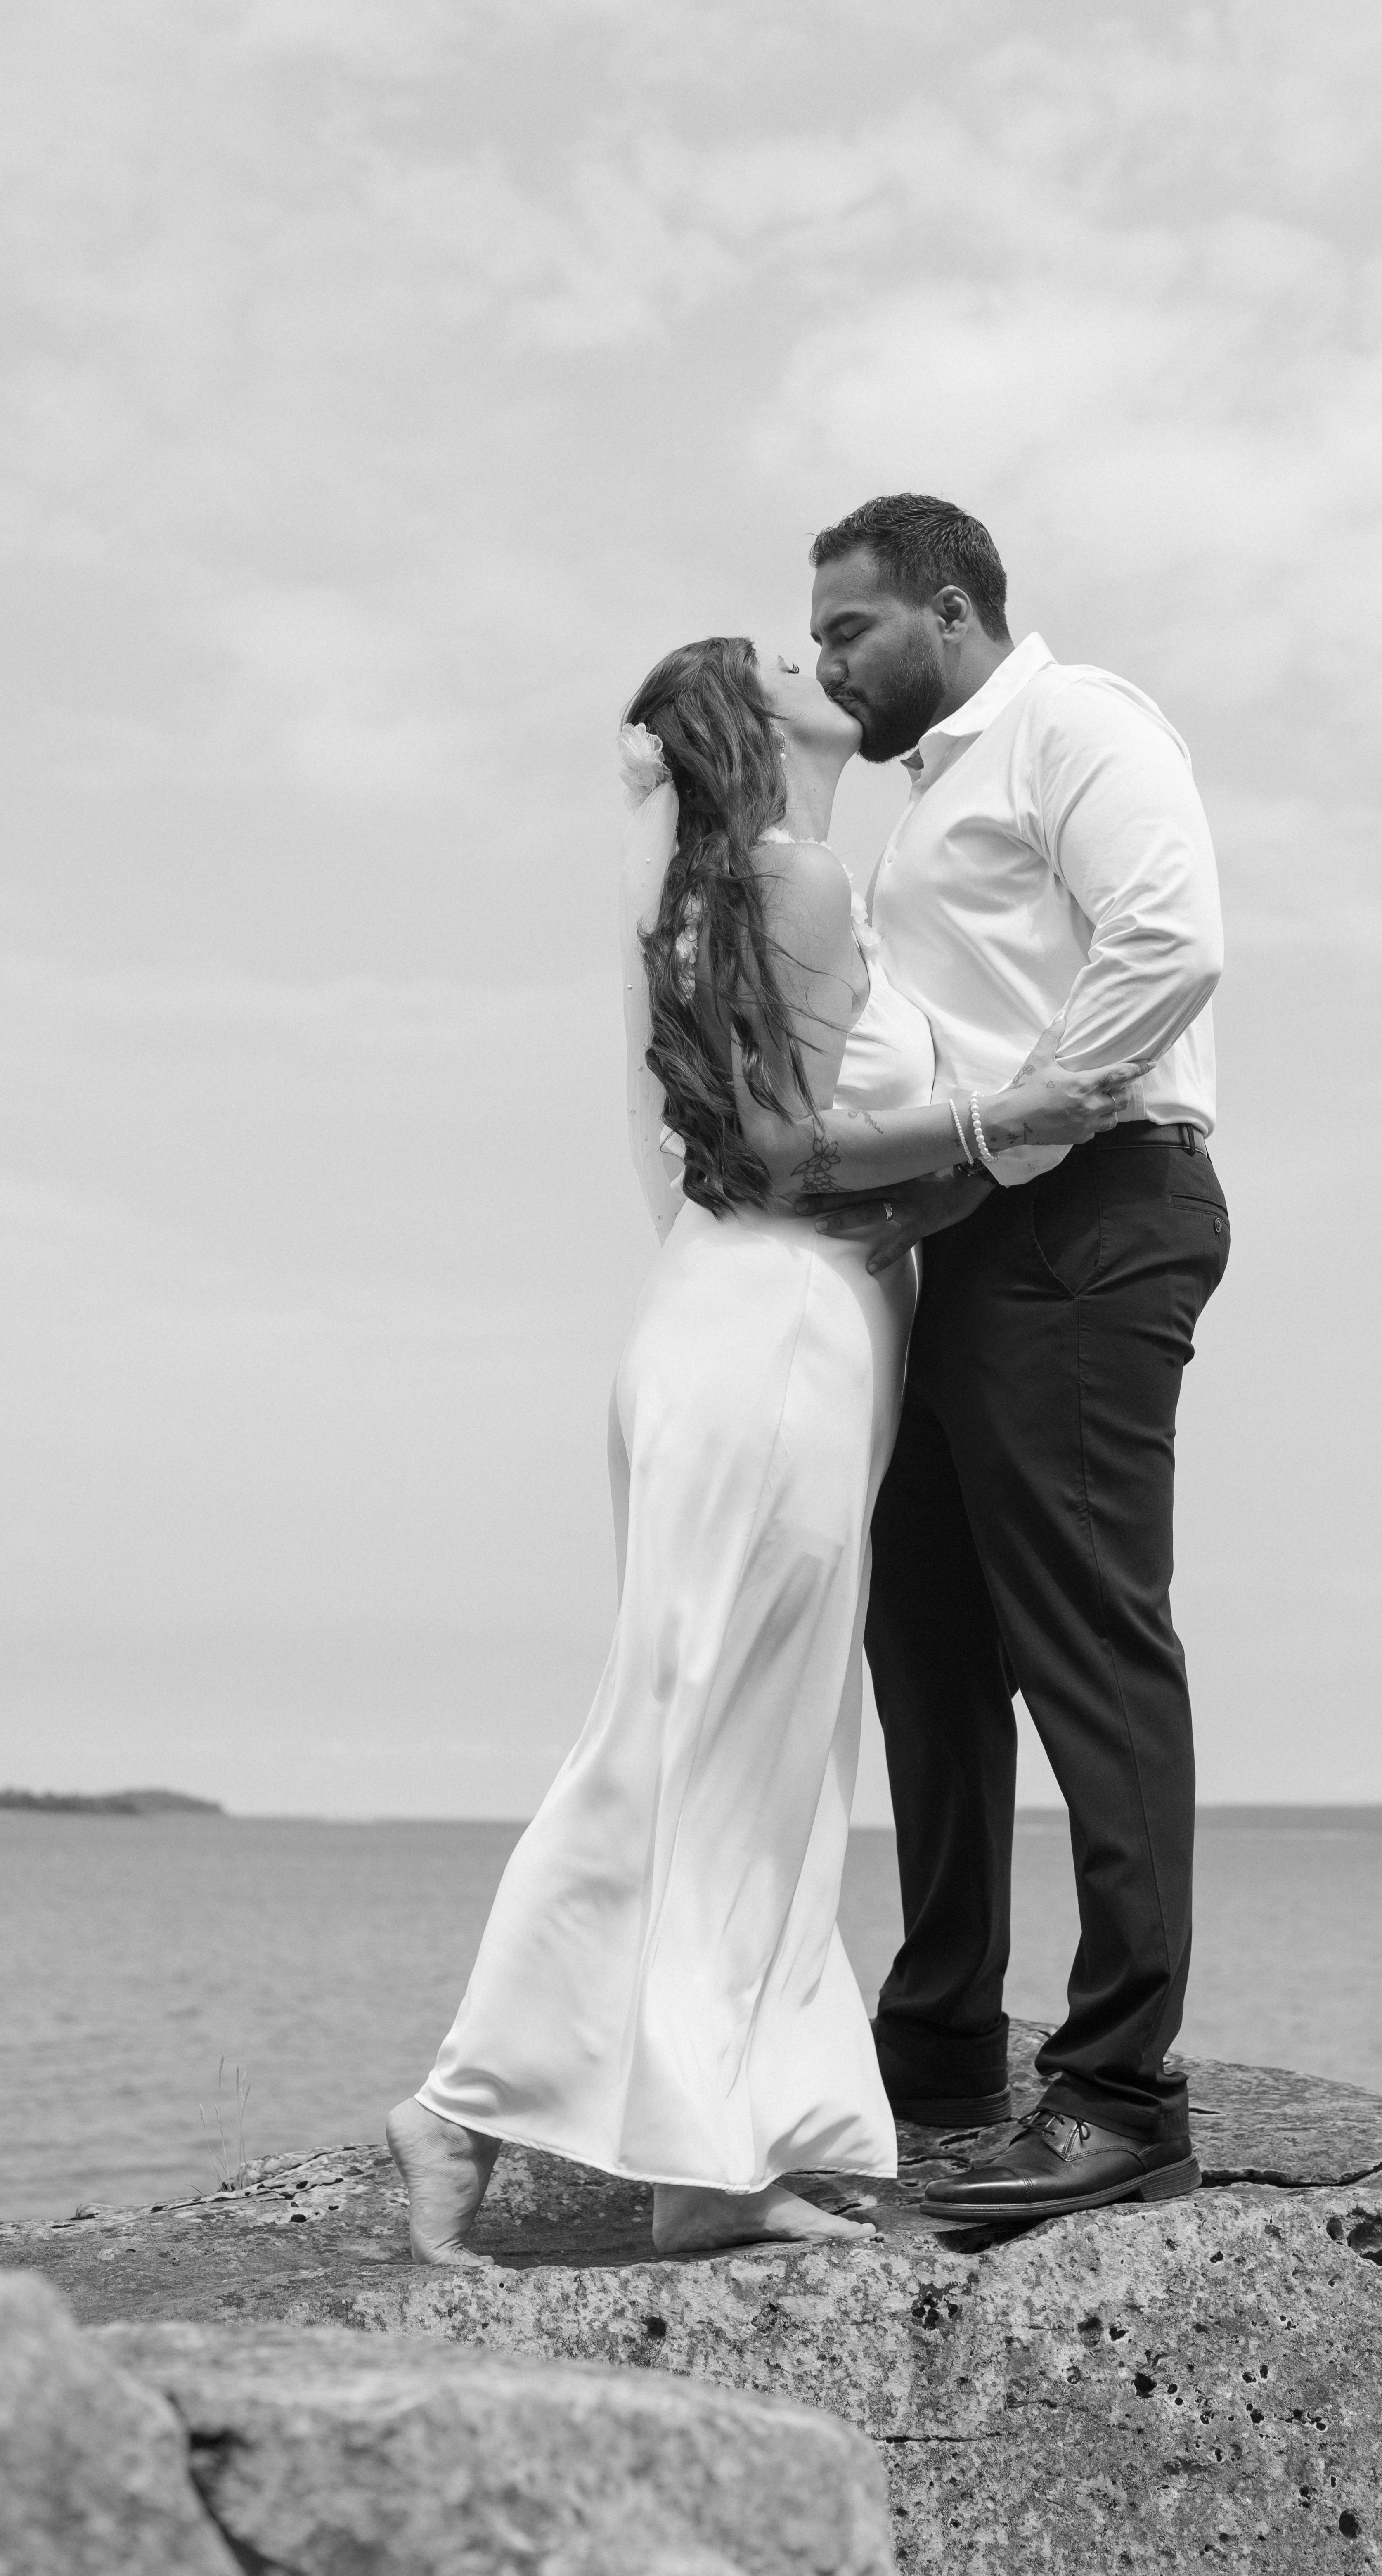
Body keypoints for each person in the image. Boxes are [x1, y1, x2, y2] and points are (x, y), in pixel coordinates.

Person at [386, 633, 1140, 2263]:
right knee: (688, 1730)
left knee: (763, 1757)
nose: (817, 655)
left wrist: (972, 1160)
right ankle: (462, 2105)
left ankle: (710, 2155)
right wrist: (1001, 1124)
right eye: (782, 653)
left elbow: (788, 1145)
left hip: (774, 1335)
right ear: (746, 721)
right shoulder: (790, 880)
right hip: (771, 1338)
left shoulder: (753, 888)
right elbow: (782, 1155)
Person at [807, 495, 1228, 2221]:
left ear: (951, 609)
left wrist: (1010, 1140)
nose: (826, 664)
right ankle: (940, 2046)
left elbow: (1169, 941)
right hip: (978, 1236)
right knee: (923, 1629)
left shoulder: (1073, 721)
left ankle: (1122, 2091)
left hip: (1090, 1210)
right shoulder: (924, 800)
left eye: (848, 630)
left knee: (1086, 1639)